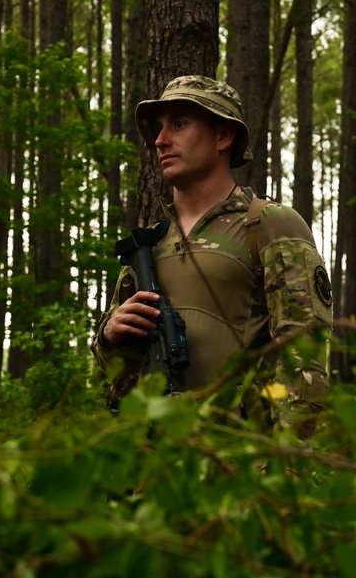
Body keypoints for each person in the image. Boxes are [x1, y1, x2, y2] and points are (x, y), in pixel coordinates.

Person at [92, 75, 333, 435]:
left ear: (223, 136)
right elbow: (115, 366)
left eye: (179, 124)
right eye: (158, 128)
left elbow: (304, 369)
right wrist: (109, 336)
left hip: (234, 467)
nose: (160, 140)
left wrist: (279, 467)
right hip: (145, 469)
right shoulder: (149, 246)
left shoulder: (269, 226)